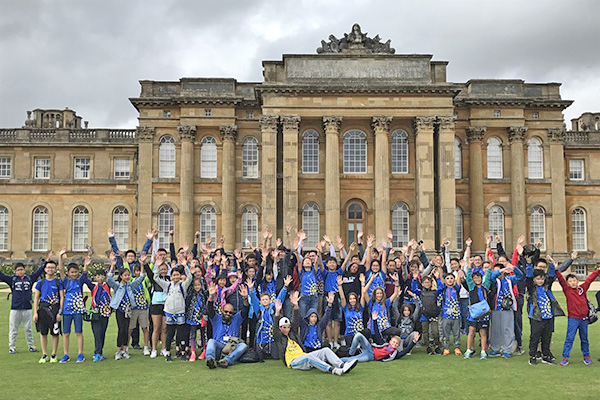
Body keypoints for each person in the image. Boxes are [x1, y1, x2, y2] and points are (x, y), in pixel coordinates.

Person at [273, 294, 358, 376]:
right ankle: (333, 370)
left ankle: (342, 365)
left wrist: (296, 306)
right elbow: (277, 328)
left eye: (288, 327)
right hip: (293, 361)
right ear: (280, 328)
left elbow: (295, 322)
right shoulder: (279, 337)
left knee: (326, 350)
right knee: (309, 357)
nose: (286, 329)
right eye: (284, 327)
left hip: (304, 355)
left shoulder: (293, 334)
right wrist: (277, 312)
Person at [555, 266, 600, 366]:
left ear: (577, 281)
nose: (573, 283)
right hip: (573, 319)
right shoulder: (567, 290)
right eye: (570, 281)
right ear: (567, 283)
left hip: (584, 319)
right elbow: (561, 280)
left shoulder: (582, 288)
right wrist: (556, 270)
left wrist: (598, 270)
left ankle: (586, 356)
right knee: (569, 338)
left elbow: (590, 279)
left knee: (584, 339)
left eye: (574, 280)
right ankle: (565, 357)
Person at [0, 256, 46, 354]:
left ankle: (31, 346)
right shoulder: (12, 279)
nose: (20, 271)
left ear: (24, 270)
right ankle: (12, 347)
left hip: (27, 308)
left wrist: (46, 262)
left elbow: (38, 272)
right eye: (18, 270)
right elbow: (2, 276)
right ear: (15, 272)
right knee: (13, 328)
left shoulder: (29, 278)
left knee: (28, 328)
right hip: (15, 308)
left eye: (21, 269)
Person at [107, 253, 147, 360]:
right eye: (125, 275)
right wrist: (112, 265)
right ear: (121, 276)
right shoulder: (117, 286)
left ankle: (125, 350)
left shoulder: (130, 285)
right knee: (121, 330)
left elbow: (141, 278)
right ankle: (118, 351)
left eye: (128, 275)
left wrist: (142, 264)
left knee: (126, 330)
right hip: (120, 310)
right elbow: (109, 279)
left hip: (129, 311)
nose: (127, 277)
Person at [57, 248, 94, 363]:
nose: (74, 274)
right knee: (66, 333)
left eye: (75, 272)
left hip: (78, 310)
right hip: (67, 311)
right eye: (72, 272)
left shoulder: (79, 280)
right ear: (68, 273)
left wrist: (86, 265)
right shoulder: (66, 280)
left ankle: (80, 353)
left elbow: (85, 272)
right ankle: (66, 354)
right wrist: (60, 256)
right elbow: (61, 269)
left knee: (79, 332)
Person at [340, 311, 419, 363]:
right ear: (390, 341)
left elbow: (405, 351)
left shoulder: (394, 354)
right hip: (369, 348)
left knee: (351, 360)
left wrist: (413, 342)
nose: (394, 344)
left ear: (398, 345)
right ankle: (351, 353)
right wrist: (374, 321)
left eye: (396, 343)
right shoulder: (384, 344)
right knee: (358, 335)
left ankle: (334, 361)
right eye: (394, 342)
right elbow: (377, 334)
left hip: (370, 356)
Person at [205, 282, 250, 368]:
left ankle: (227, 361)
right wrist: (211, 296)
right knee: (211, 341)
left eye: (230, 312)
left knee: (243, 345)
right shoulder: (216, 318)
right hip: (219, 347)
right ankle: (210, 359)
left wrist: (245, 298)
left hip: (231, 348)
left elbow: (245, 309)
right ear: (222, 311)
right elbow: (210, 308)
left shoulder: (236, 319)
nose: (228, 314)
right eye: (226, 311)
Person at [153, 263, 193, 362]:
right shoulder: (167, 285)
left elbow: (190, 278)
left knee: (181, 334)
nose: (176, 277)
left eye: (177, 275)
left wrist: (185, 266)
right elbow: (156, 278)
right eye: (174, 275)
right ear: (171, 277)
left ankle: (183, 352)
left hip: (180, 312)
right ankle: (167, 353)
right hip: (169, 313)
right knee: (169, 333)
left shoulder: (183, 285)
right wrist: (158, 267)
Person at [248, 275, 291, 360]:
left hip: (272, 337)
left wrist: (285, 287)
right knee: (259, 358)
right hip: (261, 337)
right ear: (260, 301)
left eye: (267, 299)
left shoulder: (273, 307)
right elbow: (253, 300)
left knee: (276, 357)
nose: (265, 301)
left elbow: (279, 299)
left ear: (270, 300)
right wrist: (251, 290)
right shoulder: (259, 309)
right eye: (263, 299)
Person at [488, 260, 523, 358]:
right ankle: (495, 349)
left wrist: (513, 268)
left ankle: (507, 350)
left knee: (507, 329)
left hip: (508, 308)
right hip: (496, 308)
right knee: (495, 330)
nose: (499, 273)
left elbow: (520, 276)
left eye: (500, 271)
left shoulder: (509, 279)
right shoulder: (495, 281)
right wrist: (500, 270)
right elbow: (493, 276)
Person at [526, 269, 561, 365]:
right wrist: (529, 264)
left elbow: (550, 277)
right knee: (535, 337)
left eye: (542, 279)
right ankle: (532, 356)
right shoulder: (532, 289)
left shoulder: (546, 288)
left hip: (548, 316)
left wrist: (552, 266)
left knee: (547, 338)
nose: (540, 281)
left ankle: (546, 355)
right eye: (538, 279)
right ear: (534, 280)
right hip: (536, 317)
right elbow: (528, 278)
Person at [33, 259, 64, 363]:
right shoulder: (40, 283)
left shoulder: (58, 282)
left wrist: (60, 312)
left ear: (55, 270)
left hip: (55, 309)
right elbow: (36, 298)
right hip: (43, 309)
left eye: (52, 267)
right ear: (45, 269)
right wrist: (35, 313)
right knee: (43, 332)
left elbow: (61, 297)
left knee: (55, 332)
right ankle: (44, 354)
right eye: (48, 267)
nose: (50, 269)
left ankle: (54, 354)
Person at [462, 261, 492, 359]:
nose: (477, 279)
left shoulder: (485, 286)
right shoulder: (471, 287)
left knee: (483, 333)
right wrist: (469, 266)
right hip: (474, 313)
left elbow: (488, 276)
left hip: (484, 313)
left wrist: (490, 264)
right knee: (471, 332)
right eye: (475, 278)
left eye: (478, 277)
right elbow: (468, 278)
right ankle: (469, 350)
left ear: (481, 278)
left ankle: (483, 351)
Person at [435, 269, 464, 356]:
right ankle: (446, 348)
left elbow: (459, 280)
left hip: (456, 315)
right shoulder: (444, 289)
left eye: (452, 278)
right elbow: (440, 282)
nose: (450, 280)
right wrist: (439, 274)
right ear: (445, 280)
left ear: (454, 280)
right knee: (445, 333)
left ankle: (457, 347)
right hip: (446, 315)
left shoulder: (456, 288)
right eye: (448, 278)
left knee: (456, 333)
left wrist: (461, 270)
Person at [90, 268, 111, 362]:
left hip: (105, 314)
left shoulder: (107, 286)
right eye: (98, 276)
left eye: (102, 276)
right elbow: (84, 279)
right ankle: (97, 352)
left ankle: (99, 352)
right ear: (95, 278)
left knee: (102, 333)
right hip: (95, 314)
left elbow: (111, 279)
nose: (100, 278)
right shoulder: (93, 287)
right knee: (97, 333)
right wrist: (86, 266)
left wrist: (112, 265)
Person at [418, 275, 441, 355]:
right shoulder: (420, 292)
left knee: (435, 332)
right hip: (424, 315)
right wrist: (414, 279)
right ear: (422, 284)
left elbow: (441, 288)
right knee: (425, 332)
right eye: (425, 282)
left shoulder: (435, 292)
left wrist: (438, 278)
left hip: (433, 314)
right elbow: (413, 289)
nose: (427, 284)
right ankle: (428, 347)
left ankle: (437, 346)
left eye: (428, 282)